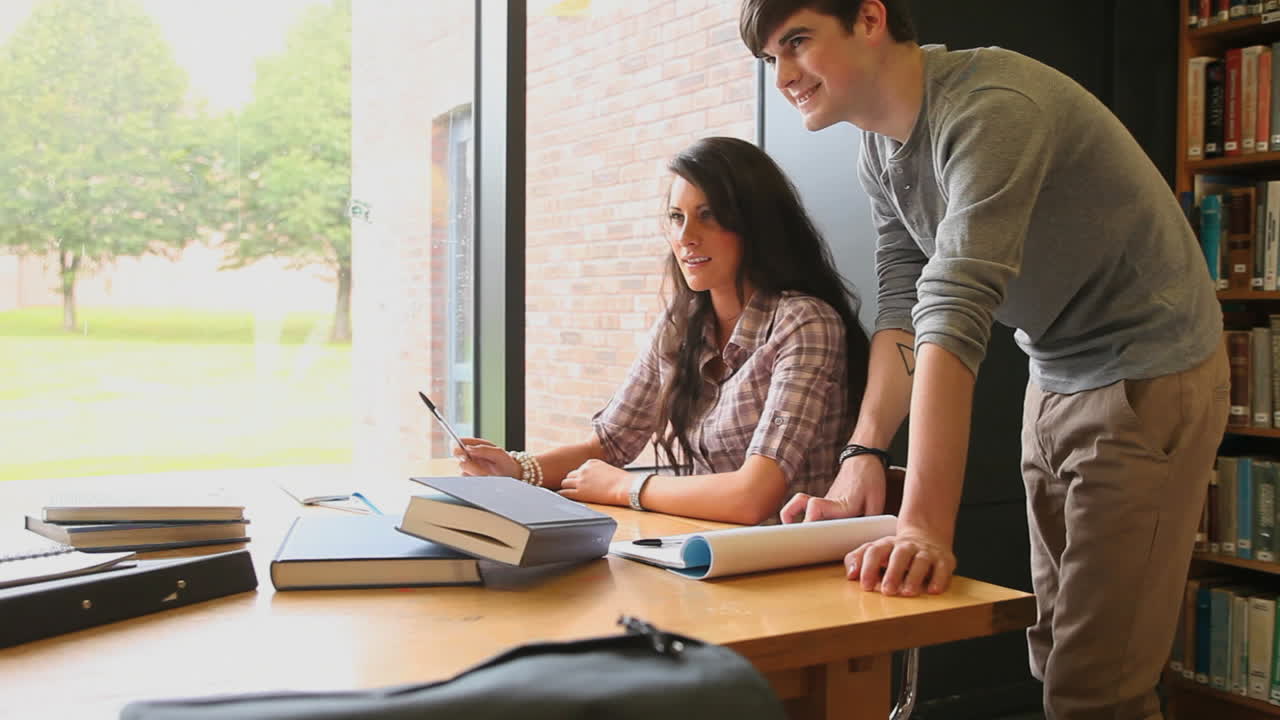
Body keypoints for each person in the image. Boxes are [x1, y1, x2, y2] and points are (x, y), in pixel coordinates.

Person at [738, 1, 1230, 718]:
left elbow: (955, 303)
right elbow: (903, 305)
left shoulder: (989, 107)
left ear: (870, 19)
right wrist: (863, 453)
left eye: (798, 42)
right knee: (1054, 652)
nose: (782, 75)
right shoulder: (878, 148)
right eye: (769, 59)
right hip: (1054, 372)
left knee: (1099, 689)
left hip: (1149, 374)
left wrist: (924, 526)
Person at [454, 136, 871, 526]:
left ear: (753, 223)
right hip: (702, 551)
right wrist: (516, 469)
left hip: (792, 562)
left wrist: (625, 487)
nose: (686, 237)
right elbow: (611, 442)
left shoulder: (805, 322)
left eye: (708, 216)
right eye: (677, 217)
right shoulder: (681, 323)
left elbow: (754, 496)